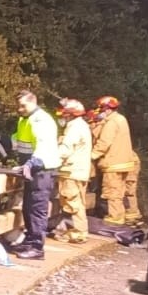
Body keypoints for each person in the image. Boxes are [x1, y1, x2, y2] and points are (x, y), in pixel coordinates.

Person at [9, 90, 60, 259]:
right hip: (31, 169)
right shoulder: (25, 119)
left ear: (33, 102)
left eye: (23, 105)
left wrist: (31, 163)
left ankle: (37, 247)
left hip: (43, 169)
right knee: (28, 207)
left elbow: (44, 146)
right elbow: (18, 140)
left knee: (38, 208)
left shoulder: (41, 120)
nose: (20, 109)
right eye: (18, 105)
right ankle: (30, 241)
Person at [89, 95, 142, 226]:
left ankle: (115, 218)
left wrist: (91, 156)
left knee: (112, 192)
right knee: (120, 192)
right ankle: (125, 215)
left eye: (101, 110)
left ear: (106, 109)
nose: (100, 113)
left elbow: (104, 142)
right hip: (124, 162)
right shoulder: (120, 119)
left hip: (113, 163)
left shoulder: (111, 123)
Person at [53, 99, 92, 244]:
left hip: (71, 172)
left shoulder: (75, 128)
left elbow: (65, 149)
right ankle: (75, 232)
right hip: (79, 171)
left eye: (63, 115)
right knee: (77, 203)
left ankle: (77, 233)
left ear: (69, 115)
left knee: (72, 203)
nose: (61, 118)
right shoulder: (81, 125)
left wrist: (48, 158)